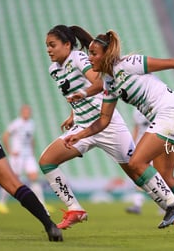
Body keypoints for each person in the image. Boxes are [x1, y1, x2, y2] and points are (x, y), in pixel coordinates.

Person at [63, 29, 174, 236]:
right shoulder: (109, 82)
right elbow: (104, 120)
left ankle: (172, 205)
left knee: (136, 162)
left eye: (94, 53)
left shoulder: (129, 64)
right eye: (89, 53)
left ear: (106, 54)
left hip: (171, 114)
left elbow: (173, 63)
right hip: (169, 118)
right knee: (166, 176)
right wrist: (80, 134)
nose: (89, 57)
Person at [40, 25, 136, 230]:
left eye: (52, 45)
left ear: (67, 45)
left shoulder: (78, 58)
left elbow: (99, 84)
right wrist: (73, 115)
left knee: (138, 172)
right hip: (84, 127)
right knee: (47, 161)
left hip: (106, 123)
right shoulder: (54, 70)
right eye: (47, 45)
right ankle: (74, 208)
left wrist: (82, 98)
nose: (48, 49)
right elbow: (76, 91)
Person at [0, 88, 63, 242]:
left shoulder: (30, 123)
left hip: (23, 153)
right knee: (14, 183)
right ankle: (50, 225)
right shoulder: (18, 123)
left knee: (26, 179)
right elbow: (7, 135)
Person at [0, 104, 51, 214]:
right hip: (17, 156)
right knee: (13, 179)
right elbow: (5, 136)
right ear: (21, 112)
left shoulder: (31, 123)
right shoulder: (17, 123)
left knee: (34, 177)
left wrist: (32, 151)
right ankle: (1, 203)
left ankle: (42, 204)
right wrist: (10, 151)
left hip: (28, 155)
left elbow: (31, 138)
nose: (27, 113)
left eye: (28, 111)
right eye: (25, 111)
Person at [125, 109, 150, 215]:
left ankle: (168, 204)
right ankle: (137, 204)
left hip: (154, 145)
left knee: (160, 176)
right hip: (141, 146)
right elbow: (136, 128)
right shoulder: (136, 111)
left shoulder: (155, 105)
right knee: (139, 175)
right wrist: (132, 145)